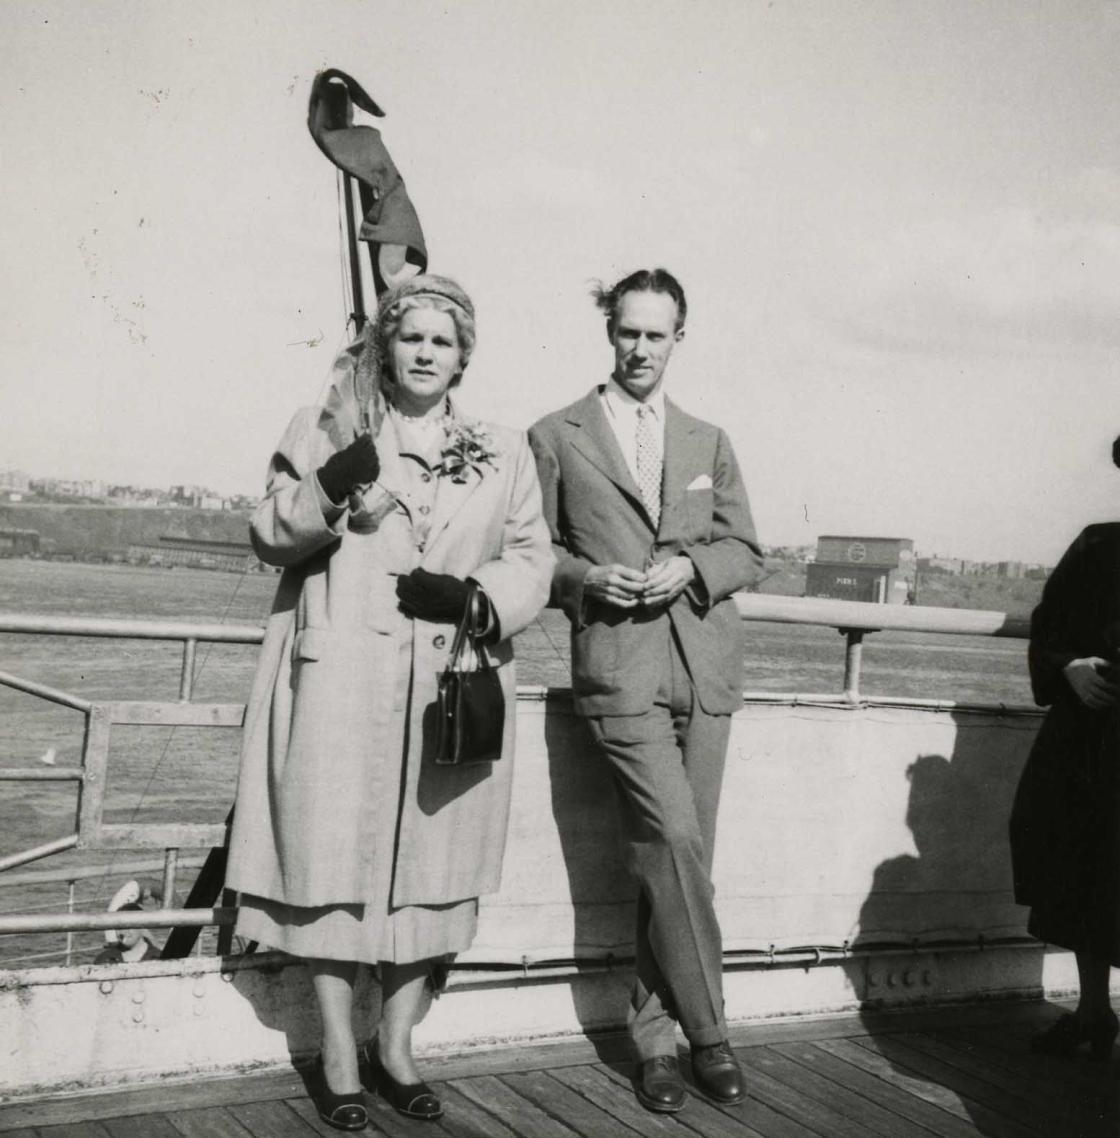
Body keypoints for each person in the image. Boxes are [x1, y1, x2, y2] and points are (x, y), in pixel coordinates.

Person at [226, 275, 553, 1129]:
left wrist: (473, 597)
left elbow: (532, 558)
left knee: (433, 874)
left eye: (443, 341)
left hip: (447, 682)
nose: (425, 353)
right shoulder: (330, 425)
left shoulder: (503, 449)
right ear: (387, 344)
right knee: (327, 865)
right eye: (411, 337)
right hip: (337, 681)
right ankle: (339, 1052)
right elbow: (269, 534)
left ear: (464, 356)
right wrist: (329, 487)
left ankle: (397, 1046)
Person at [528, 268, 764, 1113]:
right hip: (619, 667)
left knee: (678, 855)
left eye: (656, 335)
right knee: (671, 839)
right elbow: (534, 555)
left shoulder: (708, 439)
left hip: (702, 667)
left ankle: (656, 1043)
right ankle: (712, 1033)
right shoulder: (557, 433)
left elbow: (746, 549)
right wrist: (591, 577)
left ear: (678, 340)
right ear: (609, 332)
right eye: (628, 331)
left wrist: (691, 567)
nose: (640, 349)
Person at [1010, 436, 1120, 1062]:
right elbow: (1049, 626)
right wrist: (1069, 667)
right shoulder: (1098, 545)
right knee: (1084, 868)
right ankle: (1093, 1010)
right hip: (1092, 741)